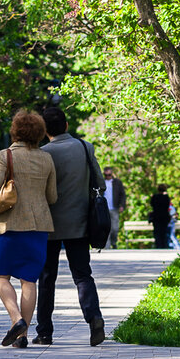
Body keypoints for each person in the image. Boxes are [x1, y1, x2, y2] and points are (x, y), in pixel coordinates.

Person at [33, 106, 106, 346]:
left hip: (48, 226)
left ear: (44, 131)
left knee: (46, 279)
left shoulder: (42, 154)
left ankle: (44, 332)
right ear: (66, 125)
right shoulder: (85, 148)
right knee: (82, 275)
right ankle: (94, 318)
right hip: (80, 224)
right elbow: (100, 183)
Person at [0, 110, 57, 349]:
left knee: (1, 276)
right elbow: (52, 196)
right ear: (39, 132)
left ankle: (17, 321)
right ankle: (23, 335)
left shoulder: (5, 155)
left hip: (10, 225)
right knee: (29, 280)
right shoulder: (46, 158)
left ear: (15, 130)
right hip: (38, 227)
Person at [103, 167, 126, 249]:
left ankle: (113, 242)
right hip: (104, 209)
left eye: (109, 175)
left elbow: (122, 195)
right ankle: (107, 246)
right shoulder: (101, 182)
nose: (107, 176)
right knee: (106, 228)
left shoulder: (117, 182)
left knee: (115, 228)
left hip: (114, 208)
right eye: (106, 175)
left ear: (112, 174)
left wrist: (122, 205)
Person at [148, 184, 172, 249]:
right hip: (164, 217)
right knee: (163, 232)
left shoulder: (154, 197)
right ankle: (164, 245)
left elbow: (152, 205)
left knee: (157, 232)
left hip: (156, 217)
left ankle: (158, 245)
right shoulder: (166, 197)